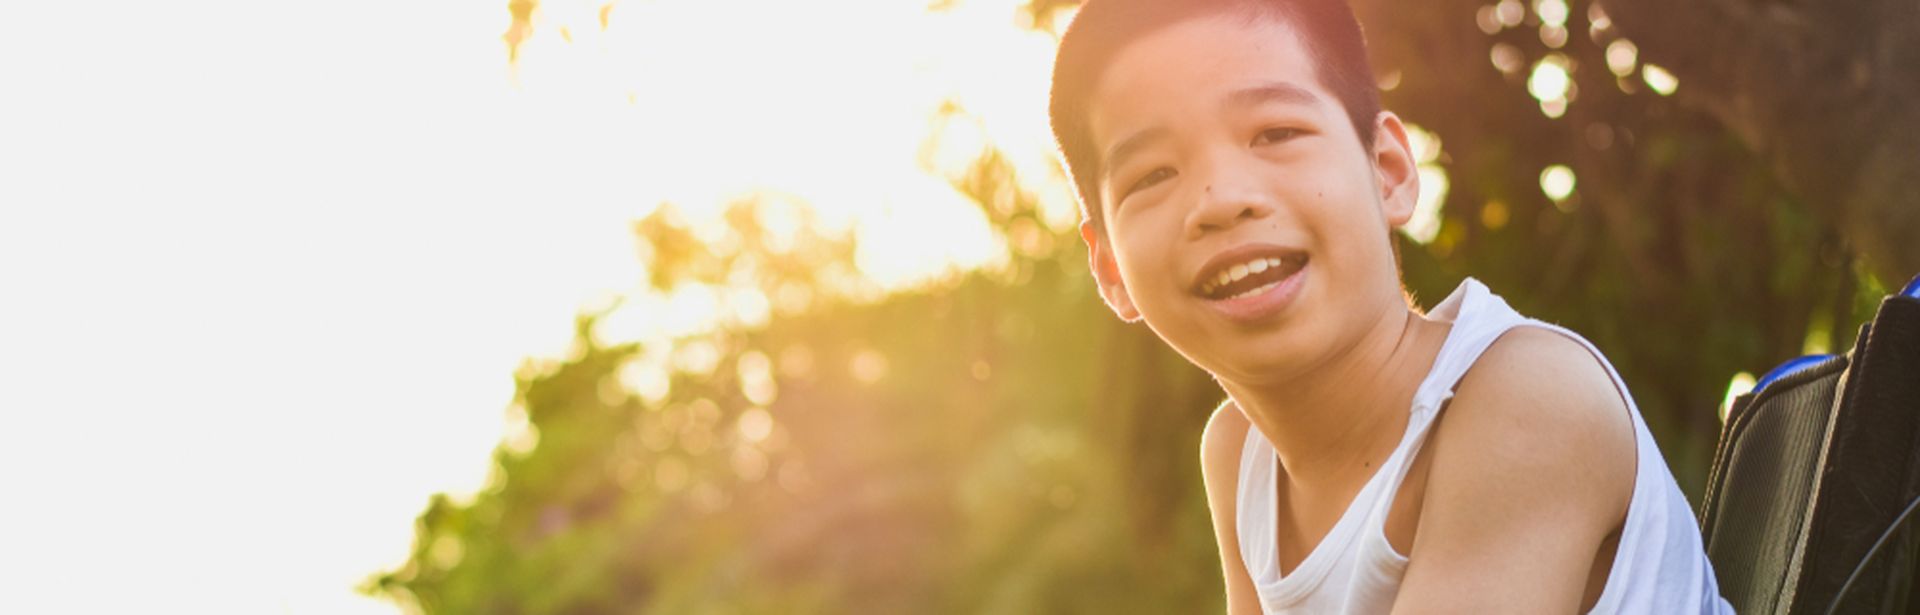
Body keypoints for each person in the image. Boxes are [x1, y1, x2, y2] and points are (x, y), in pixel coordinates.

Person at [1046, 1, 1735, 612]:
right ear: (1110, 267)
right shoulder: (1239, 456)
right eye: (1153, 174)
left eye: (1275, 133)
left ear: (1390, 173)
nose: (1223, 199)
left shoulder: (1527, 398)